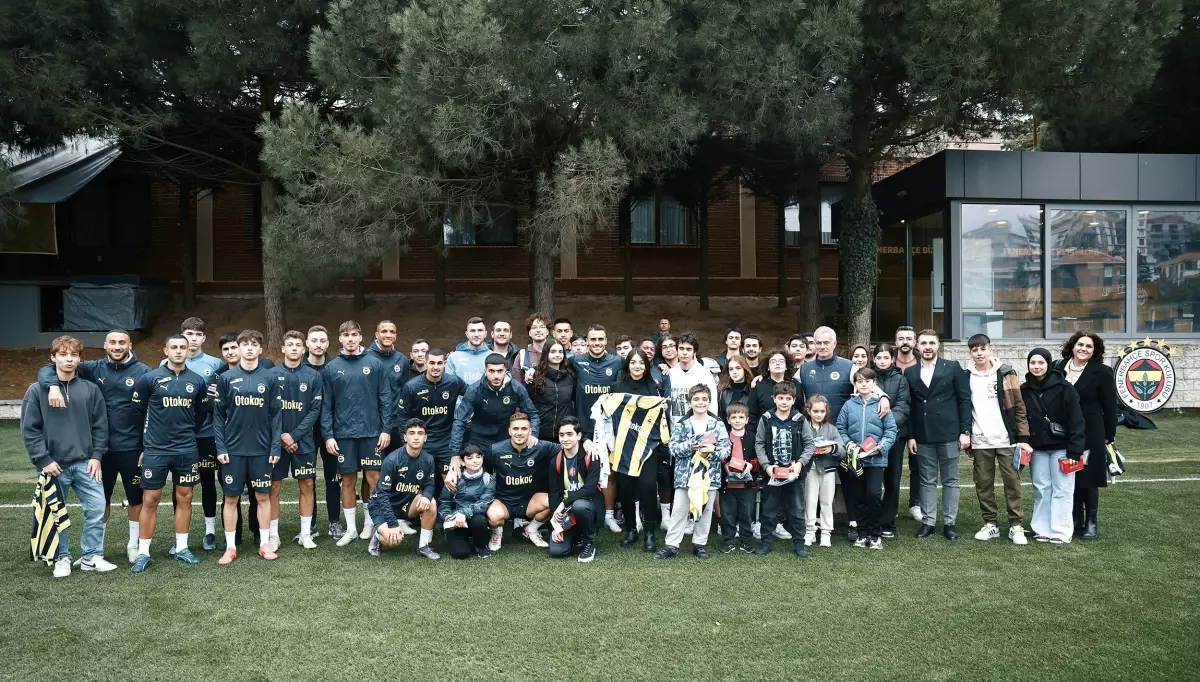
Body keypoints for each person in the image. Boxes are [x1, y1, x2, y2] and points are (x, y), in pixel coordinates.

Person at [37, 329, 150, 564]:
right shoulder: (92, 368)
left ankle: (133, 545)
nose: (117, 346)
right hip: (98, 452)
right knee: (101, 500)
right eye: (112, 342)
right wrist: (53, 386)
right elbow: (48, 369)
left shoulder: (144, 372)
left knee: (135, 499)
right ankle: (96, 550)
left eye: (122, 342)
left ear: (130, 344)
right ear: (105, 345)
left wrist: (147, 445)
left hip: (132, 447)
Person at [22, 335, 111, 577]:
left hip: (86, 462)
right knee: (56, 513)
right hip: (53, 465)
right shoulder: (36, 390)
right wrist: (43, 460)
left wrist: (97, 456)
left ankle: (91, 556)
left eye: (73, 355)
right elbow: (30, 430)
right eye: (63, 354)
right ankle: (62, 557)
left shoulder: (91, 389)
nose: (69, 359)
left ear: (80, 359)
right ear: (53, 358)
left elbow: (100, 426)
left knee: (97, 508)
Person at [129, 334, 211, 572]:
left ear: (188, 351)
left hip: (186, 449)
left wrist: (185, 432)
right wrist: (147, 442)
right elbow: (137, 411)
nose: (178, 351)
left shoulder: (196, 381)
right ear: (165, 350)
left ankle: (182, 548)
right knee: (150, 499)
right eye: (173, 347)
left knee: (184, 497)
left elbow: (201, 413)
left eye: (182, 347)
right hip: (156, 449)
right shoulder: (150, 379)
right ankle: (143, 552)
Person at [320, 320, 394, 547]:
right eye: (345, 335)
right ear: (340, 339)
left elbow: (386, 398)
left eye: (354, 334)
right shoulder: (331, 368)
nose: (350, 339)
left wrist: (386, 429)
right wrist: (328, 435)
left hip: (372, 433)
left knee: (374, 479)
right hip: (343, 435)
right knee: (348, 480)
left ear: (361, 337)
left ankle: (371, 524)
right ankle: (351, 528)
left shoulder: (375, 363)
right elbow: (326, 406)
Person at [212, 329, 282, 565]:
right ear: (238, 349)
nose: (250, 348)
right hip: (233, 450)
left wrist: (275, 448)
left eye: (254, 344)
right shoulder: (225, 379)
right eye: (245, 344)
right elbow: (217, 417)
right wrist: (220, 448)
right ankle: (230, 547)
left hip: (262, 450)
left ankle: (264, 544)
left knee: (263, 496)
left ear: (260, 349)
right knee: (230, 498)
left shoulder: (270, 378)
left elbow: (276, 417)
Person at [903, 330, 972, 541]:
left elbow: (964, 400)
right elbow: (911, 406)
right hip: (922, 434)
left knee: (950, 480)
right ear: (917, 345)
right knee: (926, 480)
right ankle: (928, 522)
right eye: (923, 343)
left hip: (949, 433)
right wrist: (911, 436)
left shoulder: (952, 368)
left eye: (931, 342)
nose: (928, 346)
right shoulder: (911, 372)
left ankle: (950, 523)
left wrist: (965, 430)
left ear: (938, 345)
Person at [965, 334, 1032, 545]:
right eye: (975, 350)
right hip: (980, 440)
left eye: (982, 349)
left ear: (990, 348)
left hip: (1007, 440)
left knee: (1012, 483)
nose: (979, 353)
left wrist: (1022, 437)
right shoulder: (966, 375)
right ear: (970, 353)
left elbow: (1019, 407)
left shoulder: (1006, 372)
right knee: (983, 484)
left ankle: (1016, 525)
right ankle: (990, 523)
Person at [456, 412, 557, 551]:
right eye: (515, 429)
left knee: (552, 501)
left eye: (524, 429)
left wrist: (588, 445)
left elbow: (566, 449)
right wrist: (452, 471)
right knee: (493, 515)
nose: (519, 433)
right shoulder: (496, 450)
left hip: (529, 501)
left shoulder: (540, 446)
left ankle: (531, 529)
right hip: (504, 501)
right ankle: (497, 533)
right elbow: (484, 469)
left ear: (530, 431)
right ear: (509, 431)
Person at [1053, 331, 1117, 541]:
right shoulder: (1057, 367)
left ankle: (1091, 522)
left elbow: (1110, 407)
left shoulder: (1103, 372)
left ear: (1094, 351)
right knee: (1070, 473)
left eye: (1089, 346)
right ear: (1072, 346)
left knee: (1089, 475)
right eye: (1080, 344)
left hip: (1092, 430)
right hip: (1064, 430)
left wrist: (1109, 435)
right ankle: (1075, 518)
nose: (1084, 349)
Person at [656, 385, 731, 560]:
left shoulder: (717, 424)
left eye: (704, 399)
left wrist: (710, 451)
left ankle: (700, 544)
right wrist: (691, 447)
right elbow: (673, 448)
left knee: (705, 510)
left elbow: (726, 448)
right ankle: (672, 545)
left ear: (709, 402)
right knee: (680, 510)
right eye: (696, 399)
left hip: (709, 475)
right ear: (690, 402)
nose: (700, 402)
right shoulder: (683, 424)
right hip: (685, 476)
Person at [1022, 348, 1086, 544]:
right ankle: (1041, 528)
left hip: (1062, 448)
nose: (1037, 367)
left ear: (1048, 364)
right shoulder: (1024, 390)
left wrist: (1075, 449)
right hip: (1038, 448)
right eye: (1033, 363)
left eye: (1041, 363)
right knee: (1041, 489)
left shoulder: (1065, 388)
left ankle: (1061, 531)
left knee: (1063, 490)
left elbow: (1077, 421)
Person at [172, 318, 225, 550]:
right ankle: (179, 538)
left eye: (196, 334)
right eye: (188, 334)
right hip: (180, 436)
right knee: (180, 486)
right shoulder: (168, 362)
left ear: (203, 338)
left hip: (208, 434)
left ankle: (210, 531)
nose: (192, 338)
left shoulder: (215, 364)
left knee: (208, 482)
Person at [605, 348, 665, 544]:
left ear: (646, 366)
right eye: (633, 362)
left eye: (641, 363)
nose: (637, 366)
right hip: (623, 447)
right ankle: (631, 529)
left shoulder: (653, 389)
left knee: (648, 487)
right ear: (627, 365)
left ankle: (649, 533)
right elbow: (606, 415)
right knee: (625, 488)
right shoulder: (616, 388)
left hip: (647, 448)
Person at [271, 330, 325, 550]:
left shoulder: (313, 376)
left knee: (308, 484)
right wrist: (283, 436)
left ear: (304, 349)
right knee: (274, 487)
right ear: (283, 348)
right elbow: (269, 411)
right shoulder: (271, 375)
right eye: (289, 345)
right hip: (277, 442)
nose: (294, 348)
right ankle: (273, 536)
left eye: (297, 345)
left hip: (303, 441)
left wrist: (294, 435)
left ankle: (305, 533)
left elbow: (314, 410)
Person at [836, 368, 897, 550]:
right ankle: (862, 534)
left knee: (873, 494)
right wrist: (850, 445)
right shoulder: (849, 406)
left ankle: (875, 534)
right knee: (859, 497)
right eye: (860, 381)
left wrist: (881, 447)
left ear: (874, 384)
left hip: (876, 460)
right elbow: (841, 428)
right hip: (856, 460)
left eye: (867, 381)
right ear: (855, 385)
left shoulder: (881, 405)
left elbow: (891, 430)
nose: (863, 384)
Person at [395, 347, 468, 496]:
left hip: (446, 442)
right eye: (432, 363)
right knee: (418, 483)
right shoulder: (412, 386)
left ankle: (452, 515)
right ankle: (418, 517)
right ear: (426, 363)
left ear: (445, 364)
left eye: (439, 363)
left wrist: (468, 414)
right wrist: (408, 443)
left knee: (453, 483)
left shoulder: (453, 382)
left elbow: (472, 396)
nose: (435, 367)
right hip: (422, 442)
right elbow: (402, 417)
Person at [753, 381, 813, 557]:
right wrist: (766, 466)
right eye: (780, 398)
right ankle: (765, 542)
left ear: (794, 400)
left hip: (794, 474)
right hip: (772, 474)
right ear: (774, 399)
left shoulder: (800, 420)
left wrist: (800, 463)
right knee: (769, 510)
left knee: (797, 509)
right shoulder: (766, 418)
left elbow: (809, 445)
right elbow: (759, 444)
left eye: (788, 398)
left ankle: (799, 543)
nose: (784, 402)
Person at [366, 418, 440, 560]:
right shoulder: (392, 460)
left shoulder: (428, 459)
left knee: (431, 502)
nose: (416, 437)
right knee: (393, 540)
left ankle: (423, 546)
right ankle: (378, 534)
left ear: (425, 437)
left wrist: (426, 496)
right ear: (405, 437)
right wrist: (392, 524)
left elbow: (430, 484)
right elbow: (382, 495)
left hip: (406, 505)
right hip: (381, 505)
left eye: (420, 433)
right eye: (412, 433)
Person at [449, 353, 540, 461]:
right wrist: (454, 454)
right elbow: (460, 421)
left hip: (506, 439)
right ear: (485, 371)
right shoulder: (474, 390)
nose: (496, 376)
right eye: (491, 371)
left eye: (500, 371)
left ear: (505, 371)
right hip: (479, 440)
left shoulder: (516, 388)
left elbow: (533, 414)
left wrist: (533, 434)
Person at [304, 325, 341, 540]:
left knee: (332, 478)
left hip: (332, 432)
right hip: (306, 433)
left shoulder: (335, 368)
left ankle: (334, 522)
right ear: (307, 344)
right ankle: (310, 524)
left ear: (328, 344)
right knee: (307, 479)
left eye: (322, 341)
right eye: (314, 340)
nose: (318, 344)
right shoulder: (298, 368)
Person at [548, 418, 602, 562]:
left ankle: (589, 542)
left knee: (580, 505)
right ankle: (575, 535)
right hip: (567, 513)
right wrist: (555, 525)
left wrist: (564, 503)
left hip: (588, 507)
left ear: (579, 436)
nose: (565, 438)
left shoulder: (591, 455)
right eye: (561, 435)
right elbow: (554, 493)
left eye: (570, 434)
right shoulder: (556, 460)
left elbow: (590, 489)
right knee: (556, 551)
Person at [873, 344, 911, 538]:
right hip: (871, 439)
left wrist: (887, 426)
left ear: (892, 359)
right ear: (874, 359)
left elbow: (903, 407)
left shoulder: (901, 380)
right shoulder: (867, 378)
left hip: (895, 438)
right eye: (878, 357)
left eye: (885, 357)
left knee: (892, 480)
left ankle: (888, 522)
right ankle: (872, 521)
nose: (882, 361)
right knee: (872, 480)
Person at [437, 444, 495, 559]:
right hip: (456, 521)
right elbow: (444, 502)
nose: (475, 461)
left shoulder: (489, 479)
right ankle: (460, 539)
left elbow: (484, 503)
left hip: (475, 519)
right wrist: (449, 518)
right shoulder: (453, 478)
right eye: (470, 458)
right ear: (462, 462)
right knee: (460, 553)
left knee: (479, 520)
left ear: (482, 458)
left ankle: (481, 546)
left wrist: (463, 513)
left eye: (478, 457)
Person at [803, 395, 842, 548]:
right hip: (810, 469)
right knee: (810, 502)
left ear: (826, 412)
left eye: (822, 411)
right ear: (809, 411)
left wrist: (831, 448)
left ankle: (826, 533)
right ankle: (810, 532)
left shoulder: (831, 429)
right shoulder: (803, 426)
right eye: (815, 411)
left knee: (826, 502)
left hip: (828, 470)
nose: (819, 414)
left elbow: (842, 449)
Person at [718, 402, 757, 553]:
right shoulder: (724, 437)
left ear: (747, 420)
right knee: (728, 514)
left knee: (746, 514)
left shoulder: (752, 437)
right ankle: (729, 541)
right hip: (728, 485)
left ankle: (747, 541)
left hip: (747, 485)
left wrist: (751, 465)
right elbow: (719, 455)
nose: (737, 420)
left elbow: (758, 456)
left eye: (741, 417)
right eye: (733, 417)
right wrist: (725, 465)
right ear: (728, 420)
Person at [893, 326, 921, 523]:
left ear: (915, 342)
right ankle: (891, 505)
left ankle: (915, 504)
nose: (905, 341)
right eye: (901, 338)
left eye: (909, 338)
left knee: (917, 465)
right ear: (896, 342)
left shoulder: (923, 364)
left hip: (918, 421)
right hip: (893, 423)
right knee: (892, 467)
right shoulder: (886, 363)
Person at [661, 332, 718, 426]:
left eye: (688, 349)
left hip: (699, 430)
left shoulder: (705, 374)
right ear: (677, 350)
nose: (684, 353)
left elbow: (712, 406)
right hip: (674, 430)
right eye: (681, 348)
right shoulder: (670, 374)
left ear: (694, 352)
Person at [367, 320, 412, 436]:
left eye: (392, 332)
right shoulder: (366, 358)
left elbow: (405, 390)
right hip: (372, 422)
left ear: (395, 336)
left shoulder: (402, 359)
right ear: (377, 335)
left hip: (396, 422)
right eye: (384, 331)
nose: (388, 335)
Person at [527, 342, 575, 443]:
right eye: (553, 351)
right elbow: (528, 405)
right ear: (546, 354)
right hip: (540, 432)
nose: (557, 355)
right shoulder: (535, 377)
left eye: (560, 352)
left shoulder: (570, 376)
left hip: (564, 433)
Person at [446, 317, 492, 384]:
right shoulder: (453, 358)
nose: (476, 334)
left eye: (480, 330)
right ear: (467, 334)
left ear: (485, 334)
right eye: (472, 331)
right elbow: (449, 386)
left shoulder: (494, 356)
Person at [512, 313, 550, 384]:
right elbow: (516, 384)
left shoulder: (555, 352)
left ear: (547, 331)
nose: (538, 330)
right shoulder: (523, 355)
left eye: (542, 327)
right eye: (534, 327)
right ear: (529, 333)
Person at [716, 355, 752, 422]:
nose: (734, 372)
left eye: (738, 368)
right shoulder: (722, 391)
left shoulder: (752, 390)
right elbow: (720, 415)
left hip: (748, 430)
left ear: (744, 369)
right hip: (726, 430)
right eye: (731, 369)